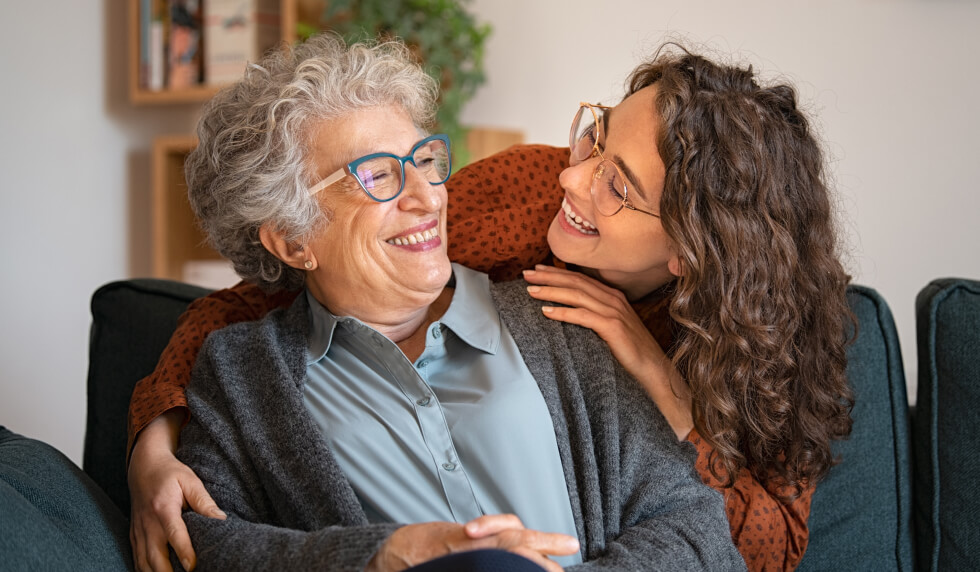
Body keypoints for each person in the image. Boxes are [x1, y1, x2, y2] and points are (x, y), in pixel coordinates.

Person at [127, 41, 853, 571]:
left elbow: (729, 539)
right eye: (378, 174)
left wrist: (656, 378)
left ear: (688, 253)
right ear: (291, 237)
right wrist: (151, 444)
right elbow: (247, 307)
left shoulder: (593, 335)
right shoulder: (528, 200)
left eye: (619, 187)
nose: (575, 181)